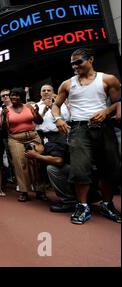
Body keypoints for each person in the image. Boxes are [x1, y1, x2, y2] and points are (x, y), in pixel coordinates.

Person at [52, 47, 121, 224]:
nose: (75, 66)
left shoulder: (107, 79)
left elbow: (118, 103)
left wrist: (106, 111)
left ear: (90, 60)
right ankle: (82, 206)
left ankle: (107, 204)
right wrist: (58, 118)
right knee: (79, 169)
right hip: (78, 129)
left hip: (103, 127)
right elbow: (55, 105)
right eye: (72, 64)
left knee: (109, 167)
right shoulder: (67, 84)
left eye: (78, 62)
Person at [2, 87, 46, 202]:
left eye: (16, 95)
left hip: (33, 136)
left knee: (36, 163)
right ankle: (24, 191)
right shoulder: (6, 110)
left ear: (21, 96)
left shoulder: (29, 107)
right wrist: (4, 117)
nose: (13, 97)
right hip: (15, 139)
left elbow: (39, 121)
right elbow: (4, 128)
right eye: (12, 95)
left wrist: (36, 113)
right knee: (20, 164)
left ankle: (39, 190)